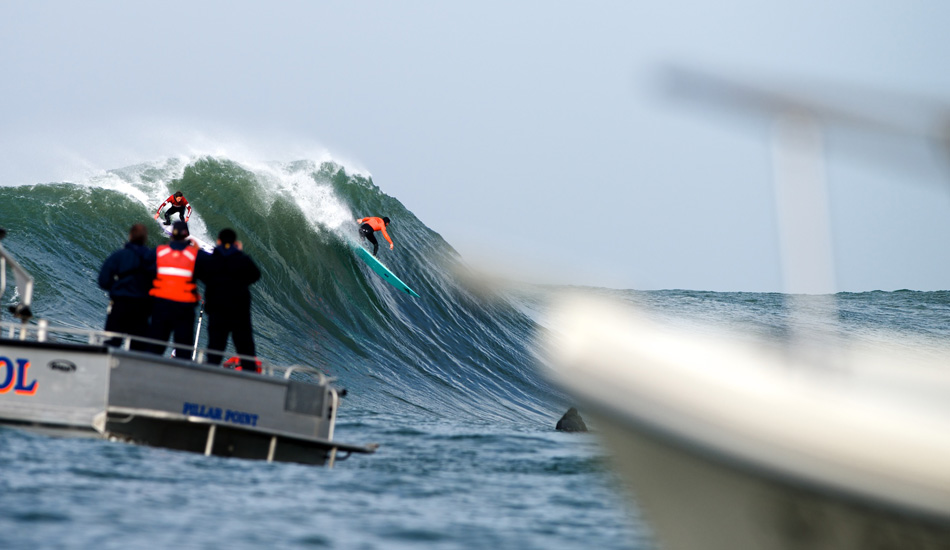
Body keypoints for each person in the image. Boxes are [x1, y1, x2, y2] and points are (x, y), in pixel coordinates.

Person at [197, 228, 262, 372]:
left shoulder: (211, 260)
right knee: (246, 351)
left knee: (215, 350)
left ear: (218, 241)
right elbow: (256, 275)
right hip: (239, 313)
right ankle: (251, 383)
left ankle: (207, 382)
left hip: (218, 312)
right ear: (236, 243)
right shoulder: (243, 260)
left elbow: (200, 273)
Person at [147, 221, 207, 359]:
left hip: (161, 306)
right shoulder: (195, 255)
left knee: (154, 348)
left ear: (171, 236)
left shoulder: (159, 252)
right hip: (184, 309)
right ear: (187, 236)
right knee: (183, 351)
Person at [97, 223, 156, 350]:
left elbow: (103, 280)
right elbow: (159, 282)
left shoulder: (119, 255)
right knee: (138, 348)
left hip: (120, 304)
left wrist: (117, 288)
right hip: (142, 308)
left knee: (111, 344)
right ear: (145, 239)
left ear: (130, 236)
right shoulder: (152, 258)